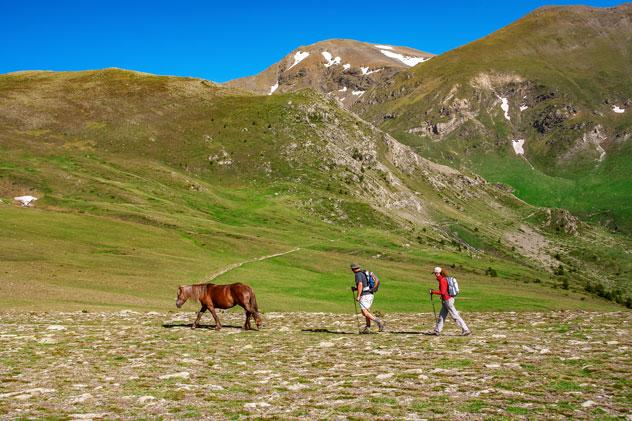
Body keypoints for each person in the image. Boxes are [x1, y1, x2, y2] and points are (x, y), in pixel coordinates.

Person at [430, 266, 471, 336]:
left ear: (438, 273)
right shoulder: (443, 279)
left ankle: (466, 330)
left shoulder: (442, 280)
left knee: (455, 315)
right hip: (446, 300)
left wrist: (433, 292)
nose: (435, 275)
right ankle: (437, 331)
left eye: (435, 273)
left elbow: (443, 292)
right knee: (441, 316)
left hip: (447, 301)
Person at [351, 263, 384, 333]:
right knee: (367, 311)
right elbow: (365, 286)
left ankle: (379, 321)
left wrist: (358, 296)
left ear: (353, 269)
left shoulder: (358, 275)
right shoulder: (364, 273)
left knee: (364, 312)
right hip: (370, 294)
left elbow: (360, 284)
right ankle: (368, 328)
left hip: (365, 295)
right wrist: (356, 289)